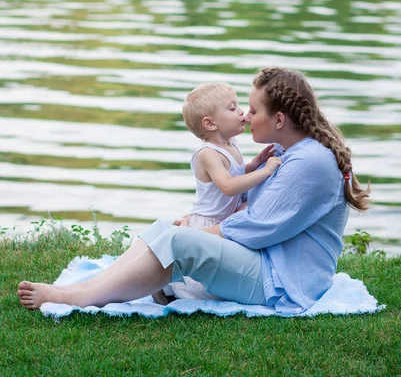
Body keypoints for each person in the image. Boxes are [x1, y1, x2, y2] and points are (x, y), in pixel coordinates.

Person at [18, 67, 370, 315]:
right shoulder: (284, 151)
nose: (247, 116)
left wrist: (197, 232)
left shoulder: (309, 161)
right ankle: (87, 289)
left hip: (282, 280)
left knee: (178, 240)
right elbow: (254, 208)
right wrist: (196, 224)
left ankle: (83, 298)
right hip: (267, 262)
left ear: (279, 120)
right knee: (164, 227)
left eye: (254, 109)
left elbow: (257, 229)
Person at [152, 81, 282, 304]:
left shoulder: (230, 144)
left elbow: (236, 172)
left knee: (222, 265)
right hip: (208, 221)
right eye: (232, 108)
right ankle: (168, 287)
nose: (241, 111)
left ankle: (170, 282)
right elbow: (229, 186)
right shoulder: (207, 154)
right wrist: (266, 171)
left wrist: (254, 164)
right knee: (201, 278)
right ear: (210, 123)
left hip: (226, 219)